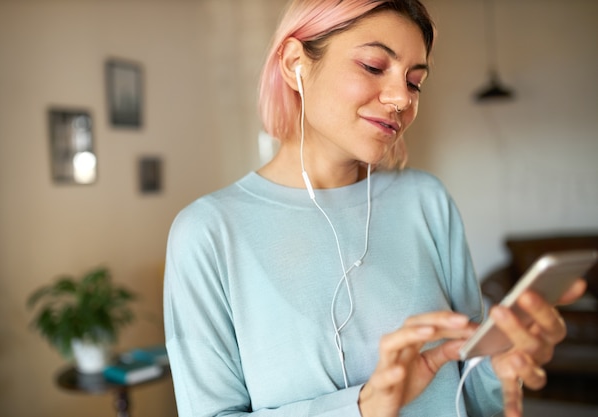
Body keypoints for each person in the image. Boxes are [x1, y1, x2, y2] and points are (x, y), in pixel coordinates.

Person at [163, 1, 586, 416]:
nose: (401, 98)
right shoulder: (207, 233)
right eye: (372, 66)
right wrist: (364, 407)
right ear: (296, 62)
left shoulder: (426, 201)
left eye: (415, 81)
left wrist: (501, 366)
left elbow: (470, 394)